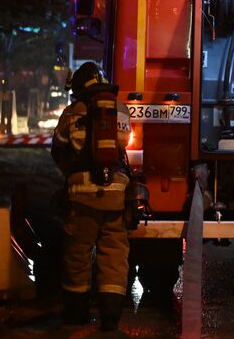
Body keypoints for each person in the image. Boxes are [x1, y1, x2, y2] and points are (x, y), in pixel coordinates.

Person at [52, 62, 133, 331]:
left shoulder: (72, 112)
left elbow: (59, 149)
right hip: (117, 194)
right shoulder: (119, 109)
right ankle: (110, 318)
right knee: (114, 255)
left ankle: (77, 315)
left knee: (78, 254)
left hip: (81, 195)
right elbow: (124, 144)